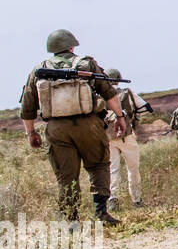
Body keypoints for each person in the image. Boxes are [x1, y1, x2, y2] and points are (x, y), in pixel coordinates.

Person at [19, 29, 127, 226]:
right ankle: (101, 213)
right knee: (98, 166)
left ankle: (72, 220)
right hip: (90, 125)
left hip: (56, 129)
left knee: (66, 175)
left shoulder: (39, 70)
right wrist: (120, 117)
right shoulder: (86, 64)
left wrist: (31, 133)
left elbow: (27, 108)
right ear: (71, 46)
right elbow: (109, 94)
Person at [104, 67, 150, 210]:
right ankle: (136, 200)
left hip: (108, 137)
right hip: (127, 135)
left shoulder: (100, 96)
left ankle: (112, 199)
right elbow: (144, 108)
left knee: (112, 169)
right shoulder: (127, 93)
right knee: (133, 169)